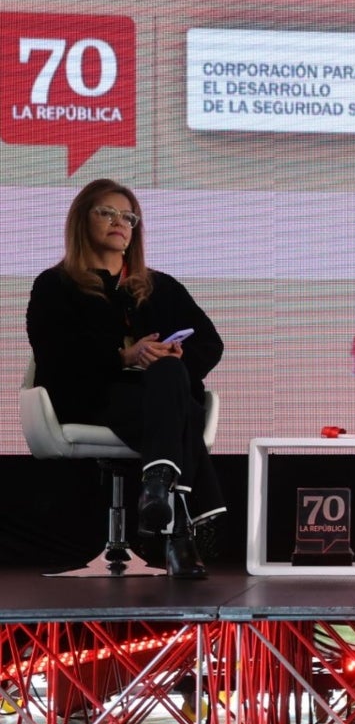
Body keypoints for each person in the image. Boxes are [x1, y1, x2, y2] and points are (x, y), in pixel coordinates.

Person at [26, 179, 225, 579]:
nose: (120, 222)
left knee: (169, 373)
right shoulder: (56, 285)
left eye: (129, 216)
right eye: (107, 213)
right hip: (91, 395)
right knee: (177, 410)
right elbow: (55, 354)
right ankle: (180, 529)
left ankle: (158, 484)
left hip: (154, 397)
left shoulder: (160, 286)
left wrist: (174, 356)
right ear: (82, 220)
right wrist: (123, 356)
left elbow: (211, 344)